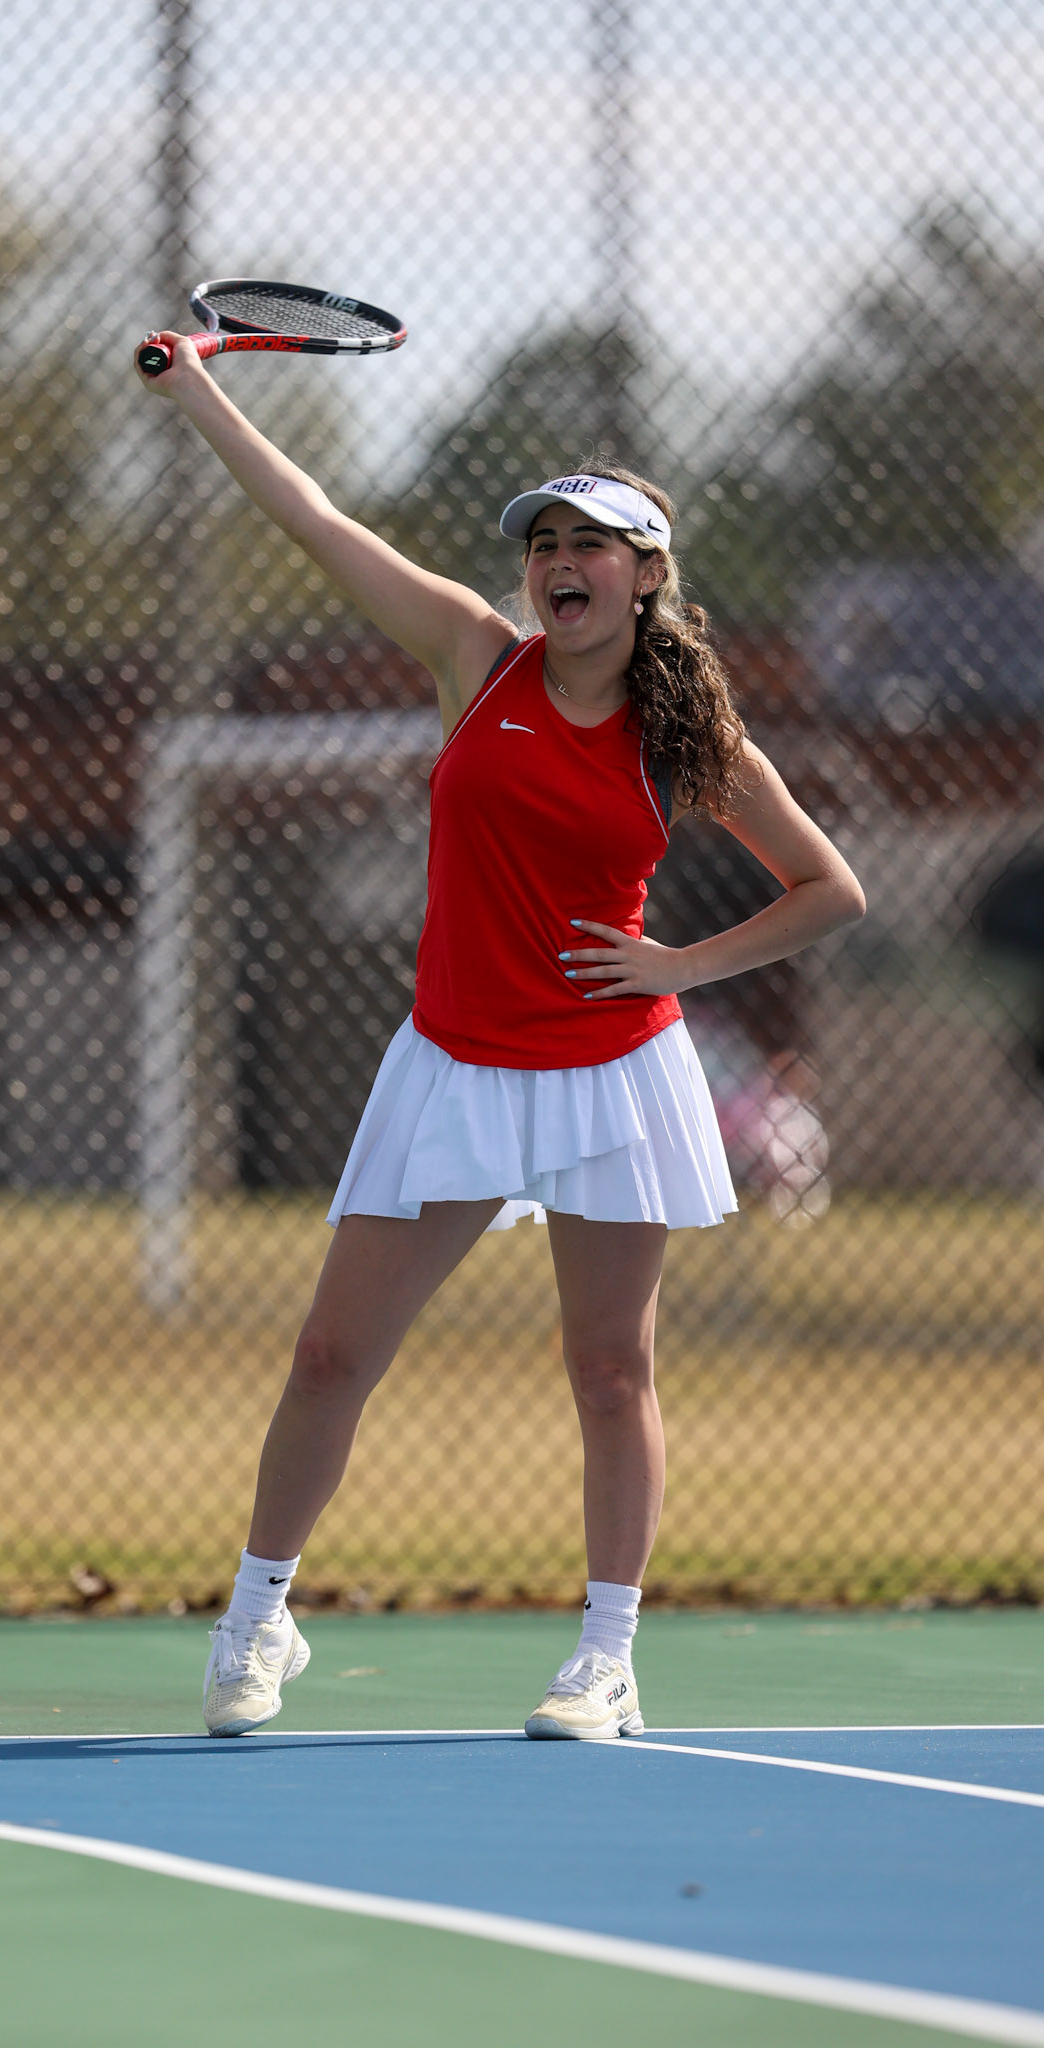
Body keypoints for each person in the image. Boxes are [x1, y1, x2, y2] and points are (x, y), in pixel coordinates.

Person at [137, 334, 866, 1740]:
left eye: (594, 541)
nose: (560, 560)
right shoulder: (475, 658)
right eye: (544, 540)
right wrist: (197, 392)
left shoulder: (687, 737)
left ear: (648, 575)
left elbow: (832, 889)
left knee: (609, 1369)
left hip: (612, 1072)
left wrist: (678, 963)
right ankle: (256, 1620)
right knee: (330, 1358)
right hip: (454, 1062)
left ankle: (605, 1657)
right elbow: (318, 523)